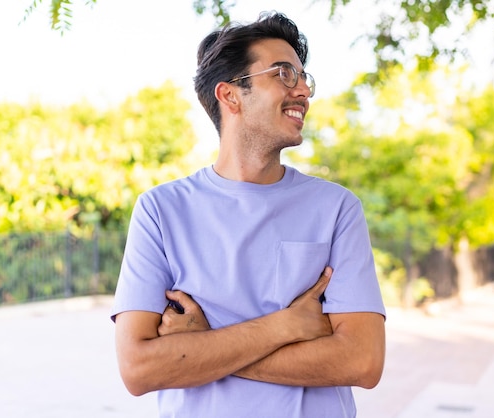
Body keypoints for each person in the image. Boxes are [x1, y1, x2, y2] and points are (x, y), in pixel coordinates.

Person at [111, 11, 386, 418]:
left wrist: (202, 347)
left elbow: (362, 361)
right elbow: (138, 369)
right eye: (284, 74)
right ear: (230, 95)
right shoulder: (160, 210)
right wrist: (286, 327)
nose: (305, 90)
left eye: (304, 77)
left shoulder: (336, 208)